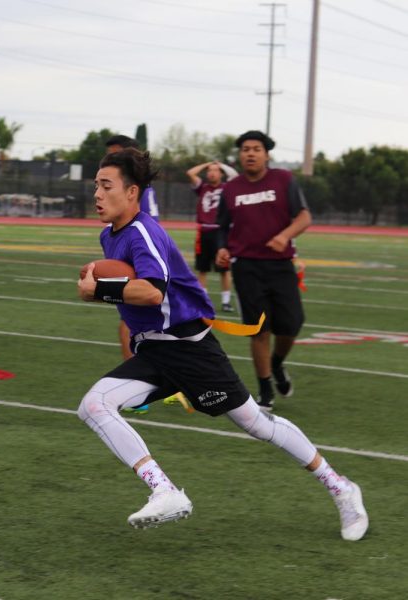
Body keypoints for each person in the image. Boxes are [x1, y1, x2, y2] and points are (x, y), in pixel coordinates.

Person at [76, 147, 367, 541]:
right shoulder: (108, 235)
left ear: (132, 193)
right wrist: (97, 292)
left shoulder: (144, 231)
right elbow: (125, 293)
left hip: (190, 350)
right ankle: (164, 490)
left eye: (105, 185)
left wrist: (102, 289)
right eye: (95, 185)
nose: (96, 193)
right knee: (94, 404)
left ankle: (341, 487)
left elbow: (151, 292)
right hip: (155, 351)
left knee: (257, 425)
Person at [215, 131, 311, 410]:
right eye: (245, 149)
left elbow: (304, 216)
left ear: (267, 154)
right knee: (259, 329)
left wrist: (285, 235)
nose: (250, 153)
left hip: (281, 265)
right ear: (240, 155)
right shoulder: (231, 189)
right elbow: (222, 226)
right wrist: (222, 248)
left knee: (291, 324)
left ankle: (278, 364)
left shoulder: (283, 180)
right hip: (246, 267)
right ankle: (265, 388)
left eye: (256, 149)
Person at [104, 135, 160, 413]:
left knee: (131, 320)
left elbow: (143, 224)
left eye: (115, 155)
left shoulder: (136, 192)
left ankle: (136, 386)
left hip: (142, 257)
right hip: (139, 252)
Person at [186, 160, 238, 312]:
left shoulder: (227, 187)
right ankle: (204, 300)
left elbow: (234, 175)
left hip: (221, 232)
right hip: (204, 232)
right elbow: (190, 173)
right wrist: (207, 163)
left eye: (215, 170)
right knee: (202, 269)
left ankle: (226, 302)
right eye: (209, 170)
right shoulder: (202, 187)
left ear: (221, 173)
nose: (211, 173)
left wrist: (221, 165)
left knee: (224, 269)